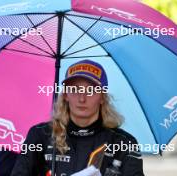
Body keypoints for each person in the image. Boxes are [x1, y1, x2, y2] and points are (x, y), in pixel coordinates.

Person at [11, 60, 144, 176]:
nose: (82, 98)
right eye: (75, 90)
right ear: (65, 96)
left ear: (102, 97)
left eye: (90, 91)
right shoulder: (40, 135)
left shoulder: (123, 143)